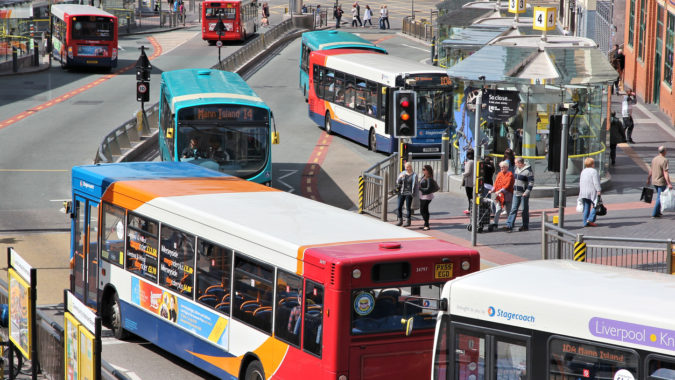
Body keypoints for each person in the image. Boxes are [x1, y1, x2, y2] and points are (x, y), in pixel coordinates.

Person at [504, 157, 534, 232]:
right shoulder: (516, 169)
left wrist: (526, 192)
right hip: (516, 192)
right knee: (513, 209)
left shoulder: (528, 171)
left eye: (516, 163)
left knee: (524, 210)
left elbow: (531, 183)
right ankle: (509, 225)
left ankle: (525, 225)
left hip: (523, 193)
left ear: (520, 163)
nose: (515, 164)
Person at [647, 146, 673, 218]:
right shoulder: (664, 160)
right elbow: (665, 173)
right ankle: (654, 213)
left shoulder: (654, 159)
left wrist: (648, 179)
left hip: (654, 181)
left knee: (659, 196)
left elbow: (651, 170)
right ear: (664, 151)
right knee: (660, 197)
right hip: (661, 181)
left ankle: (658, 212)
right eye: (666, 150)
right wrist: (669, 183)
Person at [487, 161, 513, 230]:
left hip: (507, 195)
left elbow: (507, 185)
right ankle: (495, 223)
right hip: (500, 195)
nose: (501, 168)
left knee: (508, 210)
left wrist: (500, 190)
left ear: (507, 167)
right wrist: (492, 190)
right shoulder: (499, 174)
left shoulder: (510, 174)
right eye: (501, 167)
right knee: (498, 210)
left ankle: (509, 224)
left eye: (503, 167)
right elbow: (495, 184)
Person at [578, 157, 602, 227]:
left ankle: (585, 222)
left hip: (583, 191)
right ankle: (590, 219)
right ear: (592, 164)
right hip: (591, 191)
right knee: (596, 205)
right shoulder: (593, 171)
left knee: (586, 207)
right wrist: (599, 190)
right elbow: (596, 182)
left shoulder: (583, 171)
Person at [396, 162, 417, 227]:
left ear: (410, 167)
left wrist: (414, 194)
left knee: (408, 208)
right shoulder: (402, 173)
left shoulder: (414, 175)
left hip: (409, 193)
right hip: (401, 192)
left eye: (407, 167)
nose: (406, 168)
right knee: (399, 207)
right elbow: (397, 182)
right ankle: (400, 220)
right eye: (405, 167)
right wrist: (400, 178)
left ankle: (408, 221)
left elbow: (416, 185)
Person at [418, 165, 436, 230]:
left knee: (423, 211)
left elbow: (428, 189)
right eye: (423, 169)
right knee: (425, 210)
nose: (423, 171)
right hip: (422, 196)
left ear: (428, 170)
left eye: (424, 169)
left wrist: (420, 188)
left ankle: (427, 225)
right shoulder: (424, 176)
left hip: (426, 197)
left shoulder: (429, 178)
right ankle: (426, 224)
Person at [462, 149, 475, 215]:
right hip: (473, 181)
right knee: (472, 196)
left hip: (469, 181)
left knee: (469, 196)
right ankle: (471, 208)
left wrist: (463, 174)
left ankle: (470, 208)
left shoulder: (469, 162)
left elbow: (468, 172)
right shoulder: (474, 161)